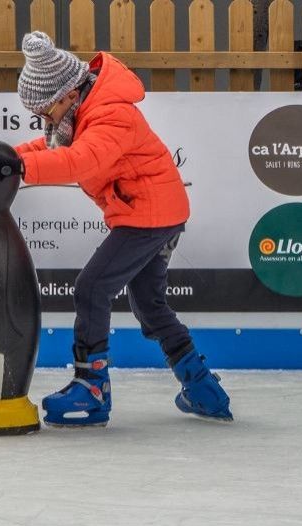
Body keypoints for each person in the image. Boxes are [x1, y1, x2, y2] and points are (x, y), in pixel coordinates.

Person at [12, 31, 232, 427]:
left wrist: (21, 169)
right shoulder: (84, 110)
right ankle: (201, 387)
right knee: (149, 305)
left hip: (149, 215)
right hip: (155, 212)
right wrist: (5, 156)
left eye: (45, 110)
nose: (45, 120)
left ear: (67, 93)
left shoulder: (111, 112)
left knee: (92, 287)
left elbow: (80, 160)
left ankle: (92, 387)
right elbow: (50, 146)